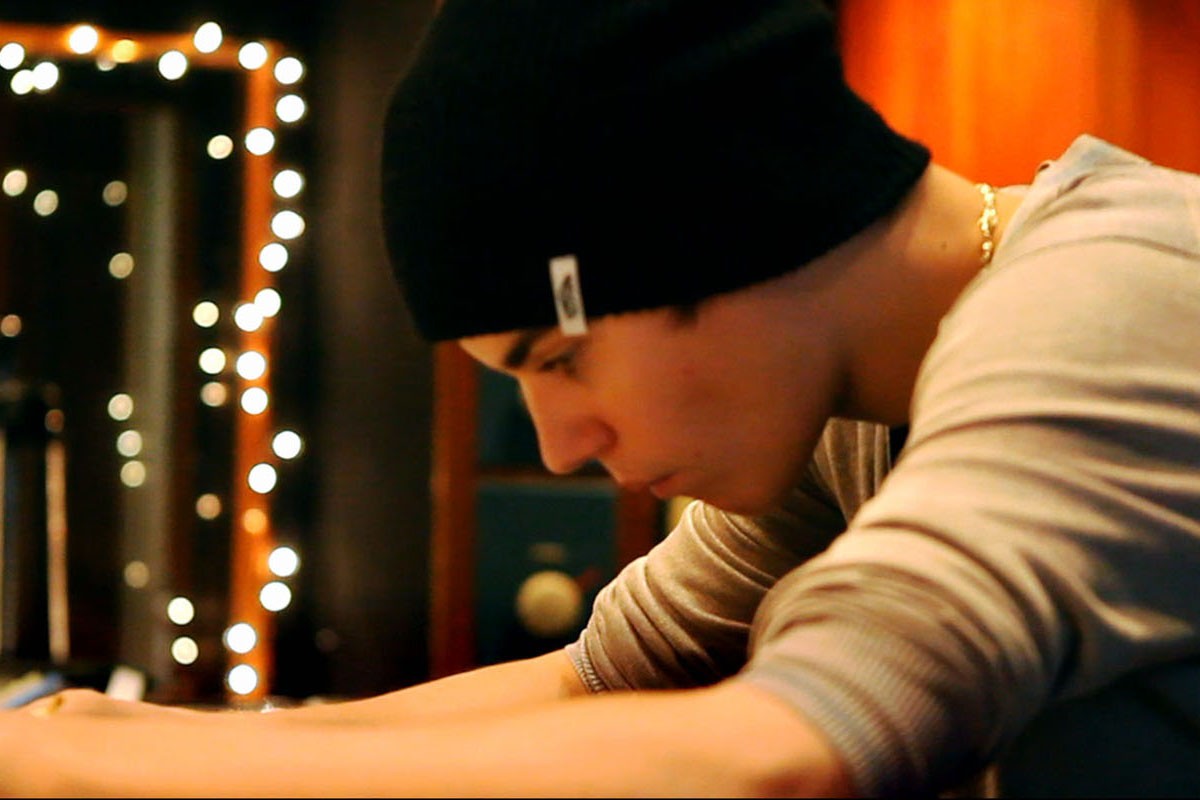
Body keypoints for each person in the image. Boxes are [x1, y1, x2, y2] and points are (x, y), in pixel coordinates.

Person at [2, 0, 1199, 796]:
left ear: (719, 228)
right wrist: (152, 739)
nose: (564, 446)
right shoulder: (851, 403)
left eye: (560, 357)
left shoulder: (1117, 295)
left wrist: (78, 779)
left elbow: (783, 748)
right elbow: (600, 671)